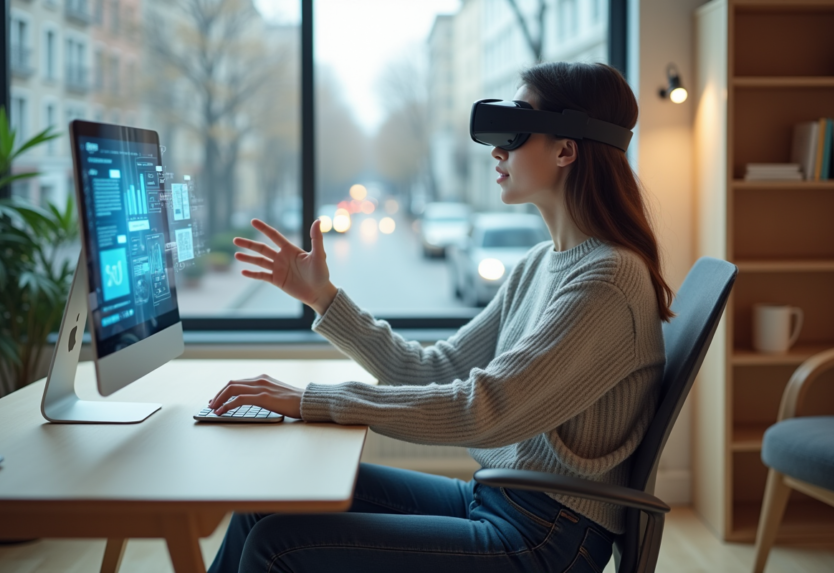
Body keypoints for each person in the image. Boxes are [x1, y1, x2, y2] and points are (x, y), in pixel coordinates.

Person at [206, 61, 672, 573]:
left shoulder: (608, 280)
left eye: (514, 133)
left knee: (278, 544)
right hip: (497, 500)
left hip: (546, 538)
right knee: (270, 497)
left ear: (566, 150)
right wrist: (324, 298)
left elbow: (483, 409)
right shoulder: (541, 263)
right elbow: (435, 367)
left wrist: (311, 401)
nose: (496, 152)